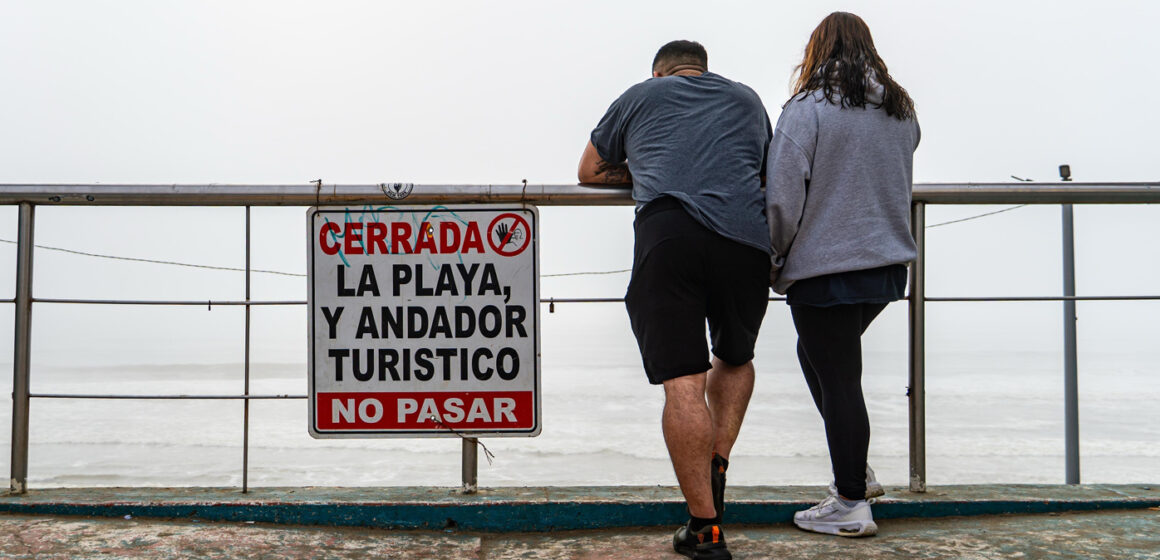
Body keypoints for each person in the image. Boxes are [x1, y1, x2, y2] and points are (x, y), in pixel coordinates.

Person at [578, 40, 772, 560]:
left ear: (660, 72)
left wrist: (644, 169)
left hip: (670, 236)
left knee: (683, 383)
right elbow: (762, 170)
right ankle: (718, 459)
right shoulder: (747, 100)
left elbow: (589, 171)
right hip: (746, 243)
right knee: (735, 355)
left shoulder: (642, 95)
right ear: (704, 69)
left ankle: (705, 530)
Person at [765, 12, 920, 538]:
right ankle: (856, 470)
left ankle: (852, 501)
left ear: (817, 52)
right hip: (885, 266)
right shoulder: (901, 111)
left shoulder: (806, 110)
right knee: (821, 360)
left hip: (825, 270)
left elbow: (782, 197)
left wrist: (774, 258)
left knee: (838, 377)